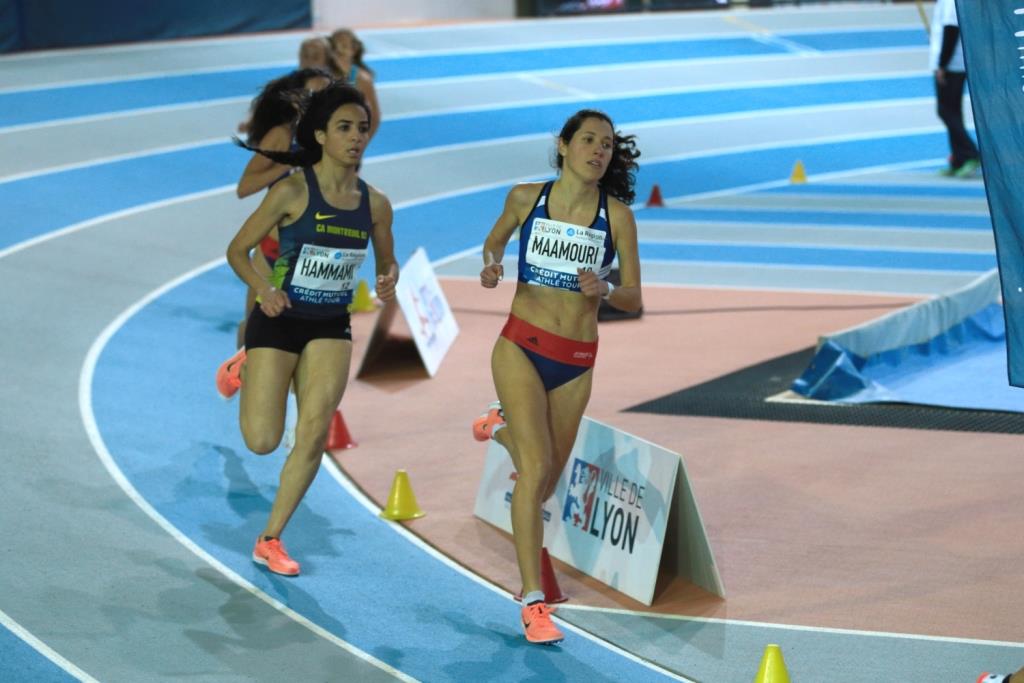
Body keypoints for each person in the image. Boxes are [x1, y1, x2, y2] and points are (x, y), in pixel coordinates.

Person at [472, 109, 642, 644]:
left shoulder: (617, 217)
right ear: (564, 146)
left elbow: (634, 296)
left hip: (576, 361)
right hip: (520, 345)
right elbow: (494, 241)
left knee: (543, 481)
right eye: (588, 140)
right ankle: (532, 602)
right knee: (538, 466)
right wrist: (492, 264)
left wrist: (607, 290)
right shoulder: (527, 198)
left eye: (607, 144)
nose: (599, 151)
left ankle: (499, 428)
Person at [218, 83, 398, 576]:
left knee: (314, 432)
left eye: (362, 128)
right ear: (320, 135)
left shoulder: (376, 204)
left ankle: (271, 537)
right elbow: (237, 251)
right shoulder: (293, 191)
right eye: (345, 128)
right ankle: (245, 365)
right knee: (262, 441)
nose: (356, 137)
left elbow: (387, 261)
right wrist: (263, 289)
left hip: (330, 326)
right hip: (279, 321)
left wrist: (388, 276)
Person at [231, 67, 333, 348]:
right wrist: (287, 163)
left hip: (313, 256)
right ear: (296, 100)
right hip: (276, 253)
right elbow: (244, 187)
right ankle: (239, 370)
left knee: (300, 338)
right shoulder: (282, 136)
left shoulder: (330, 140)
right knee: (255, 332)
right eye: (313, 94)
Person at [930, 0, 981, 178]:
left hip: (952, 65)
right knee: (952, 111)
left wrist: (942, 64)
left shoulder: (951, 2)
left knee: (945, 110)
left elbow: (952, 30)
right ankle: (959, 159)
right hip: (953, 63)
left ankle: (970, 153)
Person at [329, 28, 380, 141]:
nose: (339, 49)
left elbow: (374, 117)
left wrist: (361, 144)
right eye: (335, 45)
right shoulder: (325, 74)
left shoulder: (362, 79)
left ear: (354, 49)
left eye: (344, 45)